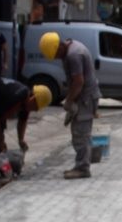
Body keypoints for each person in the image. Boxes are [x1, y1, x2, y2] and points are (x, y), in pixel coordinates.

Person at [39, 31, 99, 180]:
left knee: (80, 133)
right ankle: (83, 162)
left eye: (56, 55)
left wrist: (69, 101)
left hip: (85, 98)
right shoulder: (71, 47)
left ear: (59, 47)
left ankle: (82, 168)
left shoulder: (73, 55)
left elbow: (79, 82)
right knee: (80, 131)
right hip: (85, 97)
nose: (57, 58)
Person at [0, 77, 50, 178]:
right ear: (33, 98)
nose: (35, 111)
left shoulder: (26, 100)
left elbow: (22, 121)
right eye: (36, 107)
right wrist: (1, 141)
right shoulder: (17, 97)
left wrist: (21, 140)